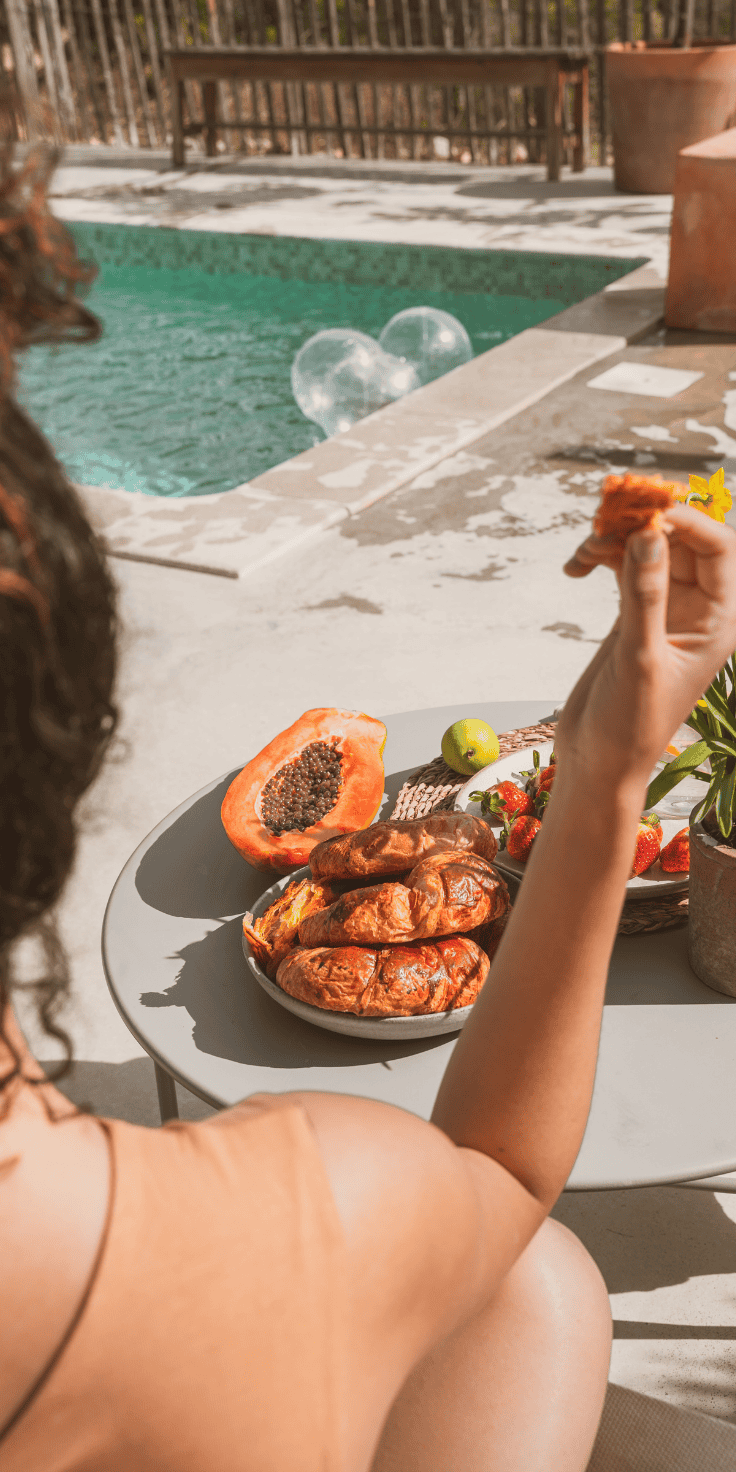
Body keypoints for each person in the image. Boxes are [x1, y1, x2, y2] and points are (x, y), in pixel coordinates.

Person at [1, 143, 736, 1472]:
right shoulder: (284, 1213)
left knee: (528, 1289)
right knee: (535, 1277)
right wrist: (601, 770)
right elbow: (497, 1177)